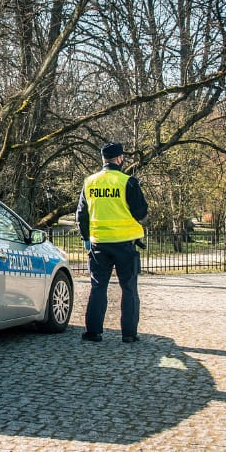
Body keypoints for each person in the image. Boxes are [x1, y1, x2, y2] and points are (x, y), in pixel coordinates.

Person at [76, 142, 148, 343]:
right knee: (129, 288)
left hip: (99, 243)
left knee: (98, 286)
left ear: (103, 159)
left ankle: (93, 332)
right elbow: (141, 212)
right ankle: (129, 334)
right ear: (119, 159)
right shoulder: (128, 182)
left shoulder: (90, 182)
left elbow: (81, 214)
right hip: (125, 243)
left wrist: (86, 238)